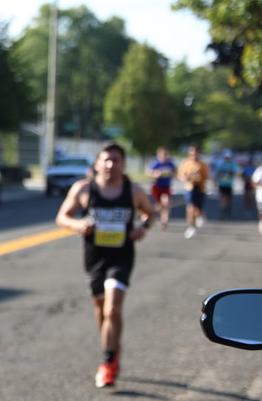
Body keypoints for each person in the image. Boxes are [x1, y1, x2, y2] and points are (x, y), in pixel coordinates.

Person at [56, 142, 156, 388]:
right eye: (106, 160)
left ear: (123, 164)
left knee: (112, 309)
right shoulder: (83, 189)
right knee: (101, 308)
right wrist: (78, 225)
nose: (111, 164)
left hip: (121, 256)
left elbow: (149, 213)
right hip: (95, 258)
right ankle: (112, 346)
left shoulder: (133, 191)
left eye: (116, 160)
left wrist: (142, 228)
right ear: (97, 163)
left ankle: (108, 363)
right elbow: (62, 217)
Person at [176, 145, 210, 239]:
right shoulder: (186, 163)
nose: (194, 155)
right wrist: (186, 178)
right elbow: (180, 175)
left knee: (198, 208)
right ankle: (191, 226)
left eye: (196, 152)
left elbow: (207, 177)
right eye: (192, 152)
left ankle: (199, 215)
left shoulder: (203, 164)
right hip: (190, 188)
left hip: (200, 188)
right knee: (190, 207)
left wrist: (199, 178)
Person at [146, 147, 176, 229]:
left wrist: (171, 174)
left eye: (165, 155)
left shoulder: (170, 163)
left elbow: (175, 172)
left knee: (166, 202)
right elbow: (149, 173)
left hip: (166, 186)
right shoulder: (156, 163)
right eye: (162, 155)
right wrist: (157, 174)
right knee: (159, 205)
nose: (164, 157)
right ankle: (160, 217)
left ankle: (164, 221)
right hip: (157, 186)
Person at [214, 150, 239, 218]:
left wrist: (230, 174)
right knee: (222, 197)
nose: (227, 158)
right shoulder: (220, 163)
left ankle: (228, 209)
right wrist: (216, 181)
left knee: (228, 198)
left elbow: (235, 173)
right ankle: (223, 210)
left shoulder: (232, 164)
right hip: (222, 183)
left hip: (229, 184)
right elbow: (217, 173)